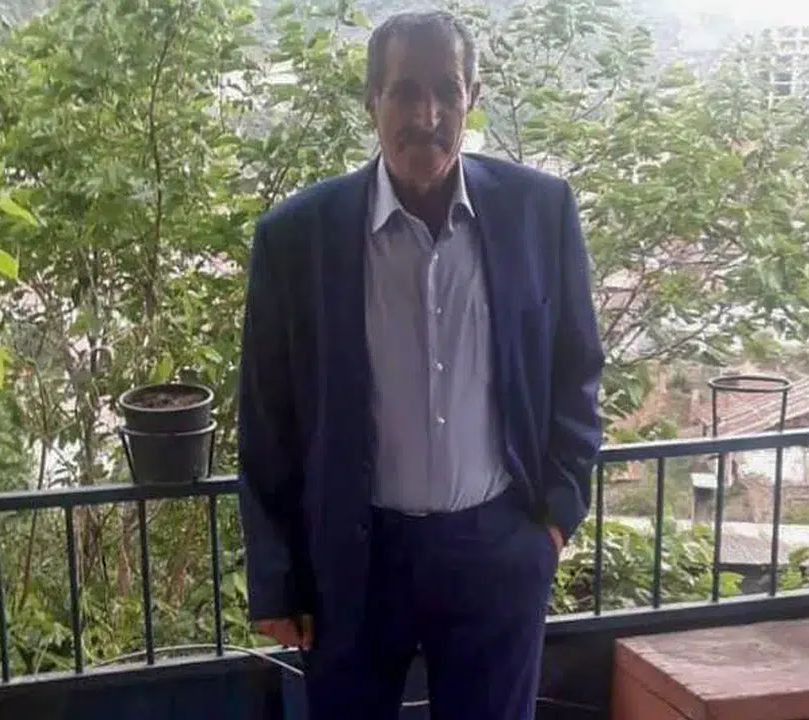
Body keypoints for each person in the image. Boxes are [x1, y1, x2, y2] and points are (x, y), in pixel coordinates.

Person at [237, 9, 604, 720]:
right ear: (372, 101)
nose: (426, 115)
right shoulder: (297, 238)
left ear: (472, 98)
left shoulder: (540, 213)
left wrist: (555, 518)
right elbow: (267, 415)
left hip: (497, 549)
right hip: (355, 560)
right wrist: (277, 579)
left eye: (447, 91)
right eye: (405, 91)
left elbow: (577, 369)